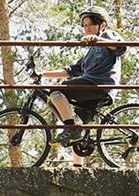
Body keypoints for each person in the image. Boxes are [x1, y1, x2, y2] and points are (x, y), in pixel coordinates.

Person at [40, 9, 125, 142]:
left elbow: (120, 47)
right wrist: (43, 74)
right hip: (89, 87)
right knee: (76, 123)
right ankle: (76, 145)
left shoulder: (108, 35)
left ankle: (71, 129)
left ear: (102, 25)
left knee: (57, 90)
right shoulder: (88, 54)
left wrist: (98, 39)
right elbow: (71, 70)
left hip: (99, 85)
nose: (87, 29)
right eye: (84, 26)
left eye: (90, 24)